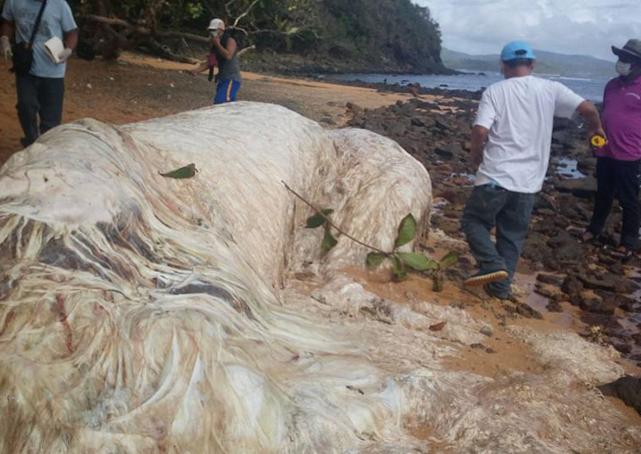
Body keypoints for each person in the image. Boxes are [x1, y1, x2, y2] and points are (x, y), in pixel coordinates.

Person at [461, 40, 604, 300]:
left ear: (503, 65)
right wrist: (596, 128)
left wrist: (475, 155)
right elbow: (588, 108)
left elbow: (480, 130)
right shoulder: (551, 89)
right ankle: (500, 291)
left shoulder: (495, 91)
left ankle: (492, 265)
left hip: (495, 175)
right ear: (532, 64)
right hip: (528, 182)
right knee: (512, 237)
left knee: (473, 221)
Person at [583, 39, 641, 260]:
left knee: (629, 199)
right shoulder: (611, 85)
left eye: (626, 59)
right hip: (605, 150)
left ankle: (628, 242)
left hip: (630, 153)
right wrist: (594, 137)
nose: (621, 62)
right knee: (603, 194)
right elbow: (604, 114)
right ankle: (594, 229)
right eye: (620, 58)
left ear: (637, 63)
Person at [1, 0, 78, 147]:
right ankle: (31, 139)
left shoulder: (60, 5)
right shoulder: (14, 2)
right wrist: (4, 39)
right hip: (26, 67)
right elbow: (7, 21)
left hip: (53, 71)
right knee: (26, 106)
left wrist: (68, 50)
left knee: (51, 120)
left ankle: (45, 148)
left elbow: (72, 32)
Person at [191, 18, 241, 104]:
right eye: (211, 30)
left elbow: (228, 56)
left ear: (221, 30)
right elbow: (211, 62)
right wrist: (196, 71)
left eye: (214, 30)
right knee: (221, 103)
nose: (212, 32)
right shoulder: (215, 45)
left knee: (222, 102)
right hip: (222, 78)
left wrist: (217, 44)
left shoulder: (230, 41)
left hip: (231, 78)